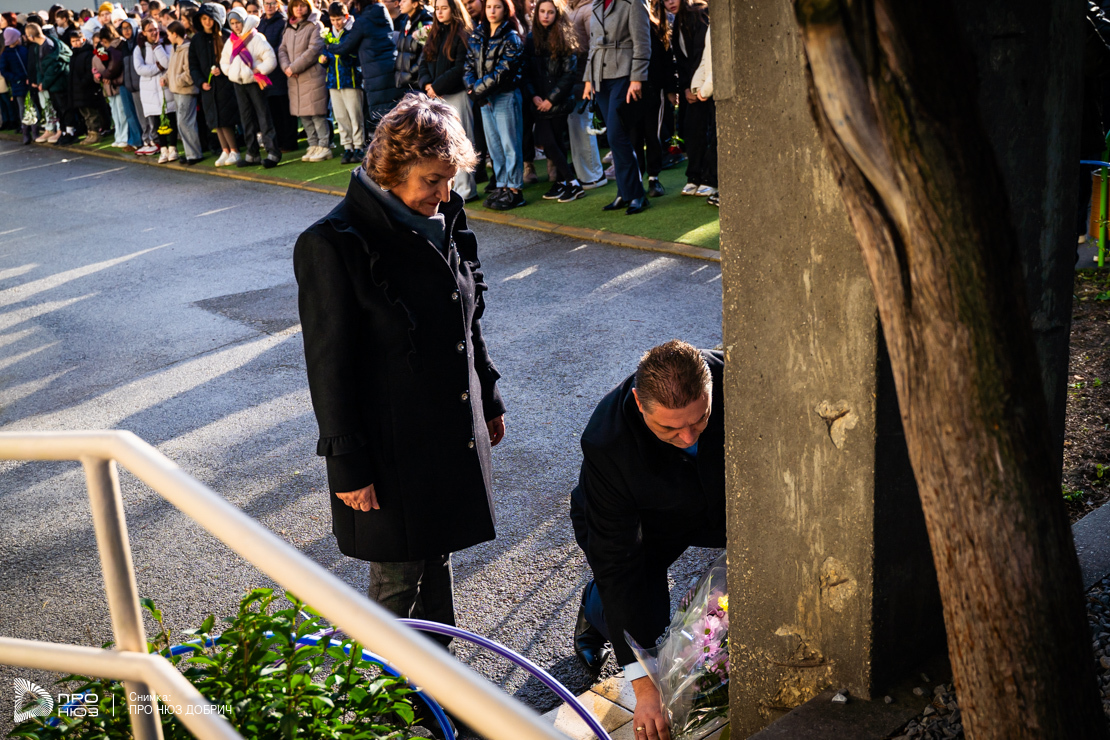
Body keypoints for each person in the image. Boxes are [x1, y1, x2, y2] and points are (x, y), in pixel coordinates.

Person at [294, 94, 506, 642]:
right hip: (388, 449)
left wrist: (488, 396)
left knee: (437, 555)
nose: (445, 194)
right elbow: (329, 367)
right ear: (392, 168)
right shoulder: (331, 244)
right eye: (433, 180)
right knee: (397, 580)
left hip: (446, 429)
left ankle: (442, 679)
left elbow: (467, 321)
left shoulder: (443, 217)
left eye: (451, 180)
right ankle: (381, 689)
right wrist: (348, 464)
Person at [570, 339, 725, 740]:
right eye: (669, 428)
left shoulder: (737, 376)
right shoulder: (607, 442)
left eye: (700, 420)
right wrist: (645, 688)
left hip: (716, 500)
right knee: (647, 626)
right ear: (640, 403)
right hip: (641, 520)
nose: (688, 437)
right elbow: (617, 565)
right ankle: (594, 606)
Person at [583, 0, 651, 214]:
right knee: (615, 138)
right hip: (600, 77)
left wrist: (637, 78)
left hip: (624, 74)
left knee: (617, 135)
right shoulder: (596, 4)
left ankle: (636, 193)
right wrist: (588, 79)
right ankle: (625, 192)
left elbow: (642, 42)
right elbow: (593, 44)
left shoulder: (633, 2)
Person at [464, 0, 526, 210]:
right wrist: (473, 87)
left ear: (505, 10)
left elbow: (503, 72)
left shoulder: (511, 37)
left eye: (497, 7)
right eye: (489, 6)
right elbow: (468, 65)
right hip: (484, 98)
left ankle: (515, 190)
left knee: (510, 144)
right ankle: (502, 185)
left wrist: (476, 90)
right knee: (494, 146)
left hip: (505, 95)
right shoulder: (477, 34)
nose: (492, 11)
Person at [524, 0, 583, 202]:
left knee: (552, 141)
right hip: (539, 101)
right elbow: (527, 72)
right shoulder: (531, 39)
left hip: (558, 101)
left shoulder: (565, 36)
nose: (545, 16)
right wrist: (534, 96)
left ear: (557, 14)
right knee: (550, 142)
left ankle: (571, 183)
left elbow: (569, 74)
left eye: (550, 12)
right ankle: (563, 182)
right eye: (542, 11)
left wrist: (551, 99)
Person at [416, 0, 474, 199]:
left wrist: (437, 86)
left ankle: (466, 190)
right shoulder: (434, 33)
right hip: (435, 97)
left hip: (456, 95)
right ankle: (450, 190)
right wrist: (427, 84)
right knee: (442, 146)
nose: (439, 12)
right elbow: (423, 63)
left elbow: (460, 68)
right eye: (437, 8)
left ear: (454, 9)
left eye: (444, 8)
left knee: (461, 144)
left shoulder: (462, 34)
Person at [325, 0, 397, 139]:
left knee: (379, 114)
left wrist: (329, 46)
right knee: (392, 111)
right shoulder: (383, 13)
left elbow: (346, 47)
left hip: (372, 71)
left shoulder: (362, 21)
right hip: (389, 65)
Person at [220, 6, 282, 167]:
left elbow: (270, 58)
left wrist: (259, 70)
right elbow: (224, 61)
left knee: (263, 116)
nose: (236, 26)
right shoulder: (231, 40)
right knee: (246, 118)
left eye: (238, 22)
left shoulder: (256, 37)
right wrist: (232, 73)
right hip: (239, 83)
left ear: (243, 21)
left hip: (255, 82)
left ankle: (273, 152)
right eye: (232, 23)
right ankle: (252, 153)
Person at [667, 0, 714, 202]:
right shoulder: (677, 22)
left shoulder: (700, 15)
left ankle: (710, 179)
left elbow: (703, 56)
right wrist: (687, 88)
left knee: (710, 132)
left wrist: (700, 87)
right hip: (692, 88)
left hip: (708, 84)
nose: (670, 2)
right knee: (692, 130)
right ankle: (694, 176)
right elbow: (682, 62)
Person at [630, 0, 674, 198]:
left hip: (654, 89)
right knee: (634, 136)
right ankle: (638, 177)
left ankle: (654, 177)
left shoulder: (656, 28)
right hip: (631, 91)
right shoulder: (625, 31)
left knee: (652, 134)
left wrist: (671, 89)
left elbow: (666, 60)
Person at [189, 2, 240, 164]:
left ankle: (234, 150)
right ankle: (225, 150)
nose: (207, 22)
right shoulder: (196, 40)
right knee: (215, 121)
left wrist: (222, 70)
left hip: (225, 85)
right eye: (204, 19)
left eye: (210, 18)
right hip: (208, 87)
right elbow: (193, 65)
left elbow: (235, 58)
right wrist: (201, 82)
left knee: (226, 119)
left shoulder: (226, 36)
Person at [278, 0, 328, 160]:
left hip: (312, 77)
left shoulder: (315, 25)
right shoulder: (288, 27)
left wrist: (293, 68)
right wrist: (286, 67)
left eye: (302, 5)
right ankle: (313, 145)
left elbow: (314, 50)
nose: (299, 9)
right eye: (296, 5)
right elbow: (282, 49)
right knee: (304, 115)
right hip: (295, 79)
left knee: (316, 114)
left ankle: (324, 145)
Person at [564, 0, 604, 188]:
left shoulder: (589, 8)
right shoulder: (570, 9)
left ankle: (593, 175)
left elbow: (594, 46)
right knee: (575, 128)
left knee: (582, 127)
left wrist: (590, 78)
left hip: (583, 78)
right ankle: (585, 173)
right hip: (574, 77)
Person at [321, 1, 363, 164]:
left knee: (355, 115)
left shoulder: (352, 32)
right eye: (333, 20)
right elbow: (325, 53)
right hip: (333, 82)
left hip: (350, 80)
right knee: (340, 116)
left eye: (339, 19)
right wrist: (323, 60)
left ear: (346, 16)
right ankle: (347, 147)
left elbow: (356, 57)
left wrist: (343, 54)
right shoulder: (329, 34)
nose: (336, 23)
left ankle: (359, 146)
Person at [134, 17, 177, 160]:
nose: (154, 33)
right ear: (144, 32)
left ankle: (173, 148)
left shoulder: (166, 44)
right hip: (150, 91)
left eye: (156, 29)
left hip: (165, 87)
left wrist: (157, 47)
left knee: (170, 117)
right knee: (157, 121)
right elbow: (140, 69)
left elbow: (168, 63)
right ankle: (163, 149)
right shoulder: (139, 49)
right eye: (150, 30)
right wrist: (157, 67)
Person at [258, 0, 297, 150]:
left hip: (280, 72)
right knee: (273, 109)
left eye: (272, 3)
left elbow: (282, 46)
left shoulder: (283, 22)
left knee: (284, 108)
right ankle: (279, 141)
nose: (269, 6)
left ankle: (289, 142)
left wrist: (266, 57)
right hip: (266, 74)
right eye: (266, 3)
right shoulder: (261, 23)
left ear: (278, 4)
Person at [166, 19, 203, 163]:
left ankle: (194, 154)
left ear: (175, 34)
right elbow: (171, 69)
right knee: (182, 122)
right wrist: (166, 78)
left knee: (186, 122)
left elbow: (189, 73)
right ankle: (189, 153)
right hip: (177, 90)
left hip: (186, 91)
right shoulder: (175, 49)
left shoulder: (187, 49)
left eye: (169, 34)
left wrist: (177, 79)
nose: (168, 37)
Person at [27, 21, 71, 144]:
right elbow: (39, 66)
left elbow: (53, 68)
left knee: (63, 108)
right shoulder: (38, 46)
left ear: (31, 36)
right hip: (49, 84)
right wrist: (39, 81)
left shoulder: (49, 46)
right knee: (55, 108)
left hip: (57, 83)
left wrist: (44, 83)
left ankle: (65, 131)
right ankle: (60, 131)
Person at [92, 24, 132, 149]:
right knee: (116, 113)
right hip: (110, 86)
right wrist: (99, 75)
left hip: (117, 84)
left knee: (121, 112)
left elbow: (114, 67)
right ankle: (119, 136)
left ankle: (124, 136)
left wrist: (104, 76)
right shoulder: (107, 50)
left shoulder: (115, 47)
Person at [63, 26, 102, 144]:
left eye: (77, 40)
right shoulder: (74, 55)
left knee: (91, 114)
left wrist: (83, 83)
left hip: (86, 90)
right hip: (77, 91)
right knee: (85, 113)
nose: (76, 43)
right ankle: (90, 132)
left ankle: (95, 133)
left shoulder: (87, 54)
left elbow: (89, 72)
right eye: (73, 41)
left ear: (83, 39)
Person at [393, 0, 432, 93]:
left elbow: (425, 54)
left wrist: (411, 71)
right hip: (405, 83)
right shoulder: (406, 21)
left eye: (404, 1)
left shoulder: (425, 22)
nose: (400, 4)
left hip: (417, 83)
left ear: (415, 4)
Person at [1, 28, 31, 142]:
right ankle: (25, 130)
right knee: (22, 107)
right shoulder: (6, 54)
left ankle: (33, 128)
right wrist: (16, 78)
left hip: (28, 82)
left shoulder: (23, 50)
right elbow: (4, 70)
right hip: (18, 84)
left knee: (32, 106)